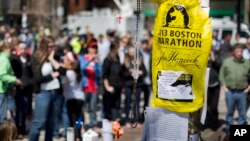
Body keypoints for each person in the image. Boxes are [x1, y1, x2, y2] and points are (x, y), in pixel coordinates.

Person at [28, 37, 61, 141]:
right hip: (43, 93)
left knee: (51, 123)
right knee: (39, 122)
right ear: (44, 47)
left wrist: (51, 59)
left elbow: (62, 71)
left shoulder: (54, 57)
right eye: (50, 46)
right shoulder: (36, 58)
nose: (53, 48)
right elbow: (37, 78)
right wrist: (52, 76)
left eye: (53, 46)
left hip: (55, 92)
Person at [49, 51, 85, 140]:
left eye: (65, 60)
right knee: (78, 118)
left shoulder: (69, 72)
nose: (63, 61)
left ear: (69, 62)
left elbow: (60, 71)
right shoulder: (77, 72)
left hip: (72, 99)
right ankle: (79, 135)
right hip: (80, 98)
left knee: (72, 120)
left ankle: (75, 137)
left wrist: (51, 59)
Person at [219, 43, 250, 133]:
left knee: (242, 114)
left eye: (241, 51)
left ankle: (241, 132)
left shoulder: (247, 63)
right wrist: (224, 86)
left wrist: (248, 88)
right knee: (229, 113)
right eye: (237, 51)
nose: (239, 53)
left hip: (242, 92)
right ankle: (229, 130)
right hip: (230, 92)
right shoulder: (227, 62)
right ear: (234, 52)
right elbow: (222, 74)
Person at [10, 42, 33, 138]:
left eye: (24, 48)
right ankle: (17, 130)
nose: (23, 50)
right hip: (18, 87)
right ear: (18, 48)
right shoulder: (15, 59)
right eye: (21, 48)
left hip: (27, 87)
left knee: (25, 109)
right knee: (18, 110)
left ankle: (23, 129)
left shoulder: (29, 59)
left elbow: (31, 73)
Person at [122, 45, 146, 127]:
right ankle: (127, 121)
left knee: (137, 103)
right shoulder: (125, 62)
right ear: (128, 52)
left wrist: (140, 72)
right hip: (129, 85)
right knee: (128, 102)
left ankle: (137, 120)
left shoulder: (140, 61)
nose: (132, 53)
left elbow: (145, 72)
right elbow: (123, 73)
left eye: (133, 51)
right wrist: (131, 73)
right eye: (130, 51)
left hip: (138, 85)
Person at [79, 41, 101, 129]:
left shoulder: (97, 59)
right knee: (82, 108)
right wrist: (89, 60)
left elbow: (100, 73)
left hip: (94, 87)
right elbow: (82, 68)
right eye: (92, 47)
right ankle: (81, 125)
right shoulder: (83, 58)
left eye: (95, 48)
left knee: (93, 107)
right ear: (88, 49)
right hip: (85, 86)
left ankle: (93, 124)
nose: (94, 50)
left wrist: (97, 63)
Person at [0, 41, 22, 123]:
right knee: (2, 116)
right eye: (10, 48)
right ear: (5, 49)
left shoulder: (4, 58)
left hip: (3, 89)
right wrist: (14, 79)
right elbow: (2, 75)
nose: (11, 50)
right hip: (1, 90)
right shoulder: (4, 59)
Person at [102, 43, 123, 121]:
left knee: (117, 104)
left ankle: (116, 120)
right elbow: (105, 75)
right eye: (117, 49)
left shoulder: (117, 59)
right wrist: (107, 87)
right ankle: (112, 120)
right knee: (110, 105)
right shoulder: (107, 60)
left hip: (118, 86)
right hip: (110, 86)